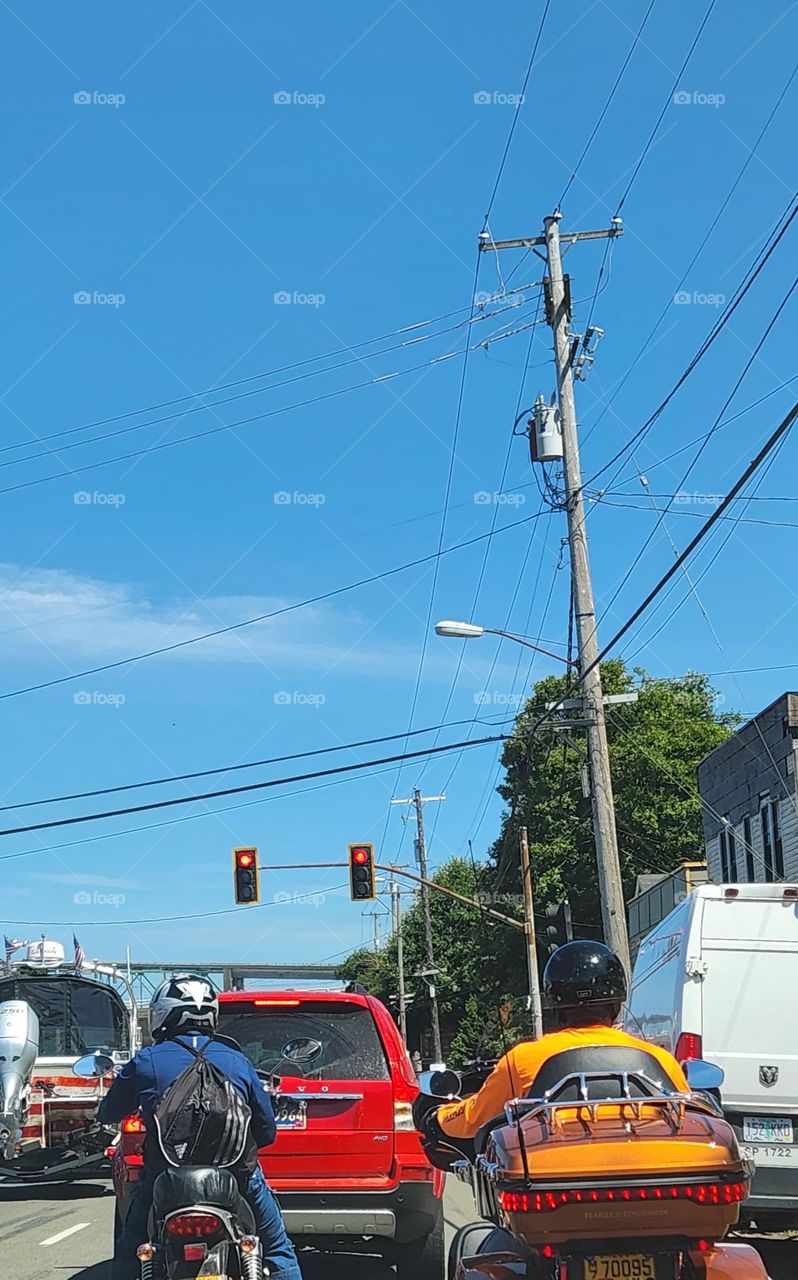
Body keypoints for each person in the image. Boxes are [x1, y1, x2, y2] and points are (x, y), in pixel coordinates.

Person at [98, 974, 301, 1280]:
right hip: (236, 1174)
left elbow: (108, 1113)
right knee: (277, 1247)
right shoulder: (237, 1060)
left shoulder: (146, 1061)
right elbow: (267, 1132)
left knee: (131, 1249)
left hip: (163, 1175)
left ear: (162, 1014)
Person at [434, 940, 689, 1140]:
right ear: (616, 1003)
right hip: (652, 1177)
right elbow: (692, 1116)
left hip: (549, 1179)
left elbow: (473, 1120)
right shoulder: (659, 1059)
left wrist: (439, 1115)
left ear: (555, 1005)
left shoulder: (522, 1061)